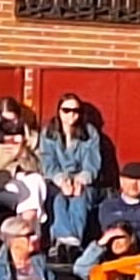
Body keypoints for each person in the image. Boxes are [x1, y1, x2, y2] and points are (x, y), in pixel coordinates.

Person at [39, 96, 101, 255]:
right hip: (57, 180)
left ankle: (70, 241)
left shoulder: (89, 133)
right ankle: (64, 239)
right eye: (66, 110)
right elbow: (48, 163)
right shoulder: (49, 133)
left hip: (82, 179)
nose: (71, 115)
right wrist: (62, 181)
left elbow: (92, 164)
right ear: (59, 112)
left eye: (75, 111)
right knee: (59, 199)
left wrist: (81, 180)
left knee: (80, 198)